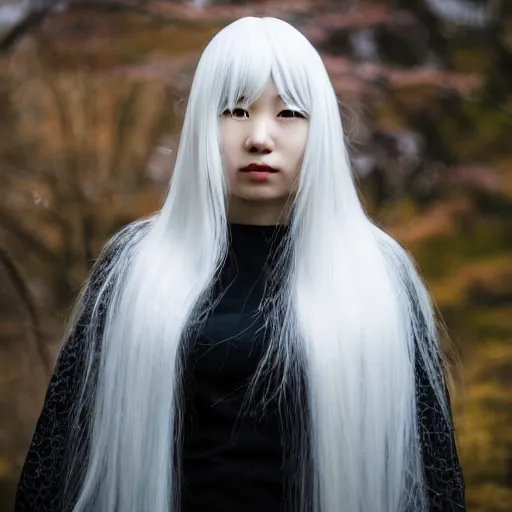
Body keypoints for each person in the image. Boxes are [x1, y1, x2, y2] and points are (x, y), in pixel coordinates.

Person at [15, 16, 465, 512]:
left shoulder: (381, 279)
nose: (260, 138)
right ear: (202, 123)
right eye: (235, 110)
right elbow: (52, 470)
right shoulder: (133, 272)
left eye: (290, 112)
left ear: (322, 128)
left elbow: (435, 483)